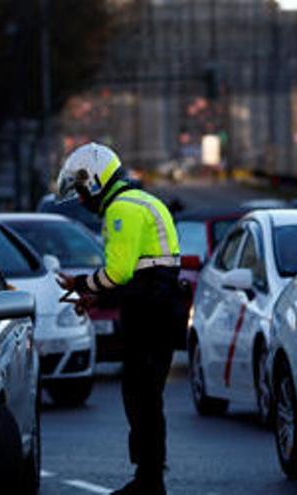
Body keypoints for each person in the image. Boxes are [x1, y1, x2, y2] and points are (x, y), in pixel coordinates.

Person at [55, 142, 183, 495]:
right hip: (160, 309)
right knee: (147, 397)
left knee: (141, 397)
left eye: (81, 190)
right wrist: (96, 295)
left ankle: (149, 481)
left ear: (95, 181)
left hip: (149, 316)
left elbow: (119, 272)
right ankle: (149, 478)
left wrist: (83, 284)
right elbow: (143, 271)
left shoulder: (120, 209)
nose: (81, 199)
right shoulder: (145, 201)